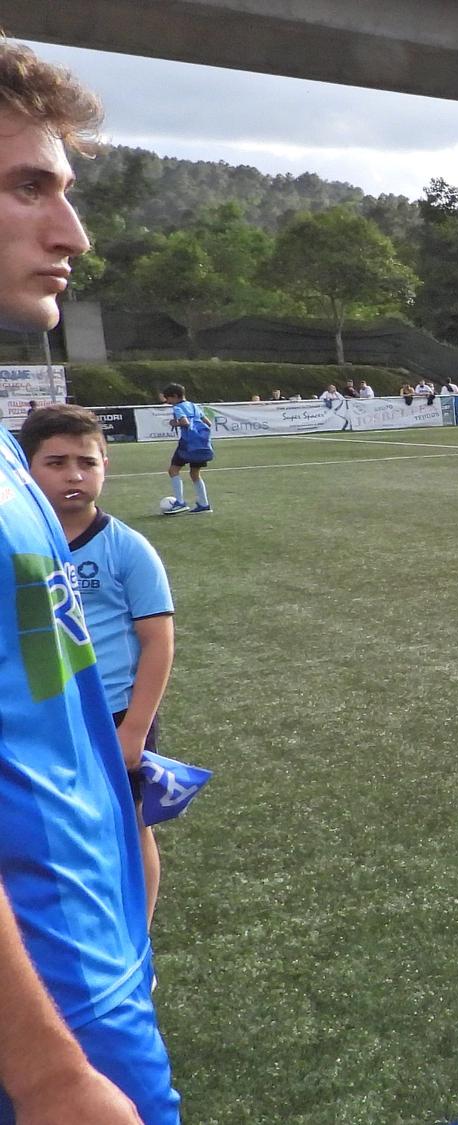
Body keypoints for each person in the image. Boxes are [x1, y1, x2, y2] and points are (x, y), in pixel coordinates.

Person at [0, 37, 180, 1125]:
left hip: (89, 966)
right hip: (48, 1017)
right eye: (27, 187)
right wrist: (52, 1074)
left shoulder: (11, 468)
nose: (74, 232)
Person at [21, 406, 178, 922]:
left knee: (131, 825)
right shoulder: (15, 548)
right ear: (26, 468)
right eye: (56, 462)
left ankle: (140, 936)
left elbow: (157, 642)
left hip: (112, 714)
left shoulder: (128, 549)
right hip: (38, 713)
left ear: (105, 466)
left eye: (87, 463)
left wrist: (135, 729)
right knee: (50, 827)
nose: (74, 475)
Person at [157, 384, 212, 516]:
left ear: (175, 396)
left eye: (168, 398)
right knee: (195, 474)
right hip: (201, 445)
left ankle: (180, 503)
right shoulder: (194, 406)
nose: (168, 402)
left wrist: (174, 423)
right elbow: (208, 423)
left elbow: (185, 423)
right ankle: (204, 504)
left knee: (173, 470)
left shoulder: (178, 407)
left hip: (187, 444)